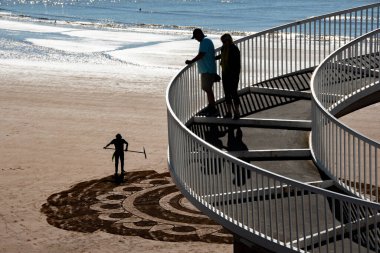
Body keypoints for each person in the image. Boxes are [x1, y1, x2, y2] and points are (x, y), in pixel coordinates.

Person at [185, 28, 218, 116]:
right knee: (206, 88)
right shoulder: (205, 41)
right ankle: (211, 106)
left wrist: (191, 61)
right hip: (206, 69)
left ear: (199, 34)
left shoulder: (205, 41)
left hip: (208, 69)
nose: (195, 39)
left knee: (207, 88)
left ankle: (213, 108)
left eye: (195, 37)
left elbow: (201, 55)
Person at [216, 33, 241, 119]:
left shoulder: (234, 49)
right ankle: (229, 112)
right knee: (227, 93)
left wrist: (233, 73)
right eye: (222, 41)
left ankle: (237, 112)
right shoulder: (224, 48)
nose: (223, 43)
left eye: (225, 41)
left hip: (233, 74)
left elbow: (235, 64)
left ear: (229, 40)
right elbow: (221, 56)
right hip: (225, 73)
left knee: (234, 93)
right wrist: (214, 57)